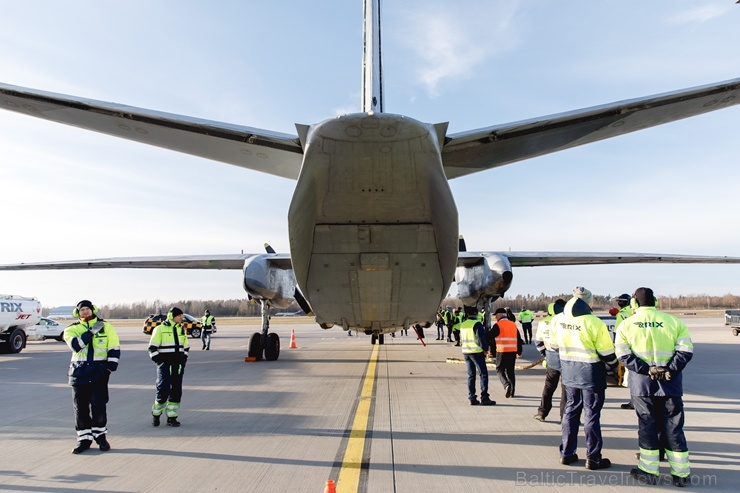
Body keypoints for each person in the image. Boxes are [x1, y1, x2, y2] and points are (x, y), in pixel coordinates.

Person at [615, 288, 694, 487]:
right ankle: (681, 474)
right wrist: (669, 370)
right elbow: (685, 350)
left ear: (634, 304)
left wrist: (647, 370)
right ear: (656, 301)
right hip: (671, 384)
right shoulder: (674, 322)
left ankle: (649, 472)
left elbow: (623, 355)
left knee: (647, 425)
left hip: (642, 385)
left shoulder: (626, 325)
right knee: (674, 426)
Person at [551, 286, 618, 470]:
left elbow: (553, 346)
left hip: (569, 371)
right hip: (590, 373)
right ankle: (593, 457)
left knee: (570, 411)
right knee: (591, 414)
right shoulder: (594, 322)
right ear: (589, 302)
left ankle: (567, 453)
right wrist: (615, 365)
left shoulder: (558, 320)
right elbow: (606, 352)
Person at [63, 300, 120, 454]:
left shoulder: (107, 327)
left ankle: (100, 437)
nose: (85, 312)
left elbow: (114, 347)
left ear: (93, 310)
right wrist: (91, 332)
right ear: (78, 313)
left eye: (88, 309)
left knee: (99, 406)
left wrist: (109, 368)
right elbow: (76, 345)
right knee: (80, 409)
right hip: (79, 374)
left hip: (99, 374)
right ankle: (84, 439)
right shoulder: (71, 329)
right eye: (82, 310)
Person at [149, 307, 190, 427]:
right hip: (165, 364)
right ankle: (156, 414)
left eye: (182, 316)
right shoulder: (160, 329)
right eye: (179, 316)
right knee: (163, 389)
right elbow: (152, 348)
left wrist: (184, 359)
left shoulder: (181, 329)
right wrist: (160, 362)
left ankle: (172, 417)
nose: (181, 318)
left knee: (176, 391)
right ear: (172, 316)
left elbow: (186, 346)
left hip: (178, 365)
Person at [534, 298, 567, 422]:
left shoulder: (543, 322)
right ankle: (564, 416)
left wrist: (546, 354)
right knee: (566, 390)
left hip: (551, 359)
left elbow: (538, 342)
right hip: (565, 359)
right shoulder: (564, 322)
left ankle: (542, 412)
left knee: (548, 387)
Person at [459, 305, 495, 406]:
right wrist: (485, 349)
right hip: (476, 352)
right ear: (476, 314)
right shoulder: (476, 324)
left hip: (466, 352)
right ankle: (484, 397)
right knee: (483, 374)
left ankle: (472, 397)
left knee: (471, 375)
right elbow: (481, 338)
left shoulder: (463, 324)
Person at [491, 307, 522, 398]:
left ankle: (506, 384)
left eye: (496, 316)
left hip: (502, 351)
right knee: (510, 372)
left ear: (500, 315)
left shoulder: (498, 325)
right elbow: (518, 339)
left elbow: (490, 336)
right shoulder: (513, 324)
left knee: (499, 369)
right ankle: (512, 392)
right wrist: (519, 351)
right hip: (512, 352)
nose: (495, 318)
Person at [613, 293, 635, 409]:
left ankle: (634, 401)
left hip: (628, 346)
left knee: (631, 374)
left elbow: (618, 332)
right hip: (639, 344)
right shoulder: (635, 311)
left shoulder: (622, 314)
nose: (619, 303)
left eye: (620, 301)